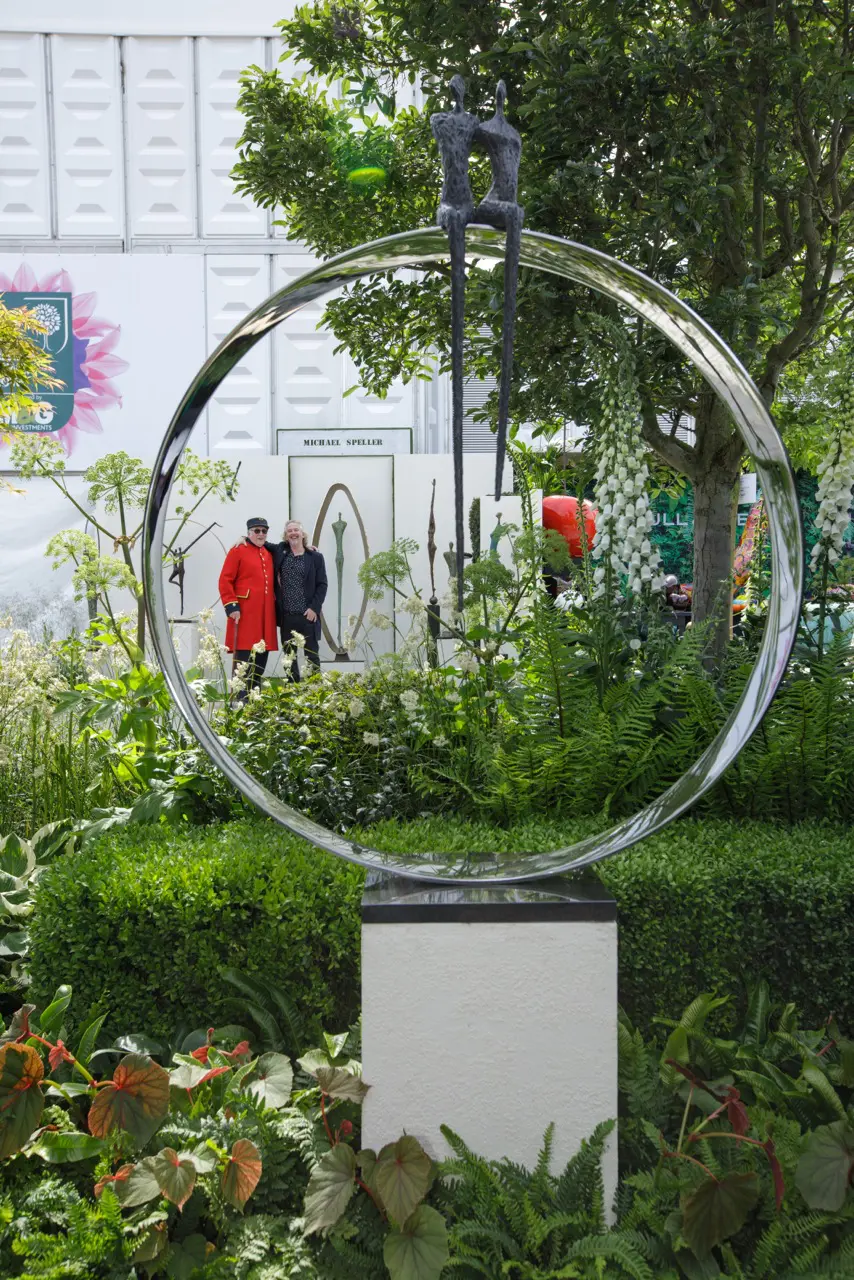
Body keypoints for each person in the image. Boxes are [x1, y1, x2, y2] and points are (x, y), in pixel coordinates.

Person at [218, 517, 278, 697]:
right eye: (256, 530)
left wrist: (308, 547)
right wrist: (231, 605)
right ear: (249, 532)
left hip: (265, 617)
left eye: (264, 531)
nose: (261, 534)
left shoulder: (268, 552)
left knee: (260, 662)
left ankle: (254, 700)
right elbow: (225, 580)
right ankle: (240, 700)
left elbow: (291, 547)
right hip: (244, 614)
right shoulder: (238, 550)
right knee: (243, 663)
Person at [267, 520, 328, 680]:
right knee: (289, 659)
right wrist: (243, 538)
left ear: (302, 534)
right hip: (287, 616)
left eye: (296, 530)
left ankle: (315, 689)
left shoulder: (315, 557)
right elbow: (261, 542)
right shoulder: (281, 551)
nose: (293, 533)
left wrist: (314, 608)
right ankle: (292, 690)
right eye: (290, 531)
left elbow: (322, 584)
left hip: (308, 615)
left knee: (312, 657)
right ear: (286, 536)